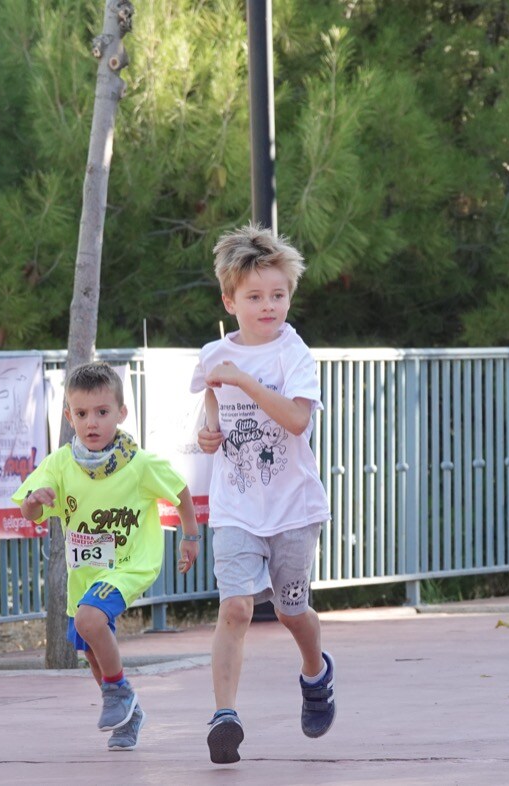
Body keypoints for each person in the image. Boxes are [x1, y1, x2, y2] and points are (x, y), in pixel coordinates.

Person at [192, 224, 335, 765]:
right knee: (235, 608)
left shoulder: (294, 355)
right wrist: (208, 431)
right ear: (230, 301)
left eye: (278, 295)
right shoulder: (213, 356)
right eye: (255, 297)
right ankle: (224, 715)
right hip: (236, 506)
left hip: (293, 508)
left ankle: (316, 672)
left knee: (293, 610)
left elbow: (298, 420)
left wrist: (249, 384)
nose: (269, 306)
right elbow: (211, 404)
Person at [13, 361, 201, 751]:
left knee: (89, 619)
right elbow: (28, 511)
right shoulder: (61, 463)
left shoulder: (139, 464)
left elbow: (180, 491)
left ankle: (118, 693)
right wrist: (35, 501)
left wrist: (190, 536)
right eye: (82, 414)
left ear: (121, 413)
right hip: (85, 574)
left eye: (102, 412)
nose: (92, 422)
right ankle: (128, 711)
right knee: (91, 649)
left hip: (130, 564)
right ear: (69, 416)